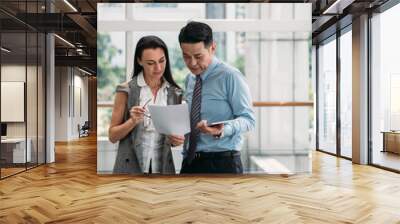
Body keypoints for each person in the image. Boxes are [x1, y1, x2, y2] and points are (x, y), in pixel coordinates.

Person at [179, 21, 255, 174]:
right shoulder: (190, 79)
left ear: (212, 48)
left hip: (222, 163)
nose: (192, 63)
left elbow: (249, 120)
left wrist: (222, 130)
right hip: (189, 161)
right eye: (186, 57)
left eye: (198, 56)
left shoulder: (230, 76)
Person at [109, 35, 185, 174]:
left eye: (162, 61)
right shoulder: (126, 89)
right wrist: (132, 121)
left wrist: (177, 140)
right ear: (139, 61)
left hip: (164, 170)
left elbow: (176, 140)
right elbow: (112, 136)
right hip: (129, 168)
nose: (158, 68)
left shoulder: (175, 93)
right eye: (151, 63)